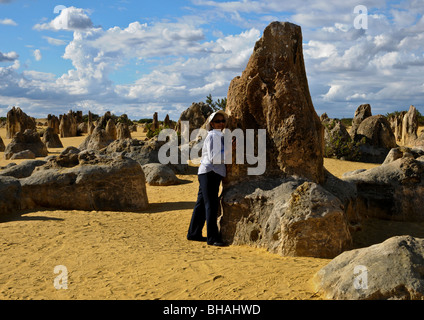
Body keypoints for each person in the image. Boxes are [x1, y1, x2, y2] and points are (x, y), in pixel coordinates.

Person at [187, 110, 232, 246]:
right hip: (210, 172)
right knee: (211, 205)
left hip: (208, 172)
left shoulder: (218, 135)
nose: (221, 123)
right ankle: (212, 238)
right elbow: (215, 157)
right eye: (217, 121)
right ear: (211, 123)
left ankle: (193, 233)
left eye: (223, 121)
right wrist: (231, 150)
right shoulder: (214, 136)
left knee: (201, 204)